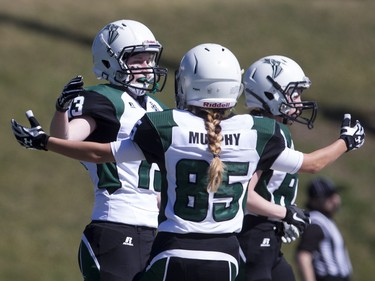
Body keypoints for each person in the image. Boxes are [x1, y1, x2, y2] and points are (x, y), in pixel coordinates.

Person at [11, 43, 364, 281]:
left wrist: (48, 142)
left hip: (172, 253)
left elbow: (102, 153)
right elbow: (313, 164)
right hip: (227, 257)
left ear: (189, 83)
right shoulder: (257, 130)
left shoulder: (167, 127)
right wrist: (346, 142)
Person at [49, 19, 168, 281]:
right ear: (109, 61)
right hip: (116, 226)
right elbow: (66, 138)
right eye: (138, 60)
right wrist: (60, 110)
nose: (147, 68)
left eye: (150, 60)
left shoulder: (157, 108)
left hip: (154, 230)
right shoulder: (104, 99)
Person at [236, 55, 318, 281]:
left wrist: (279, 218)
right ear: (270, 92)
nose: (300, 102)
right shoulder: (263, 131)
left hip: (266, 235)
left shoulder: (276, 129)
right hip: (250, 233)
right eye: (295, 92)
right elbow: (244, 195)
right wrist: (284, 213)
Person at [295, 177, 353, 281]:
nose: (335, 199)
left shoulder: (326, 220)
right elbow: (304, 255)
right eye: (328, 196)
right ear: (314, 200)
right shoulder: (316, 222)